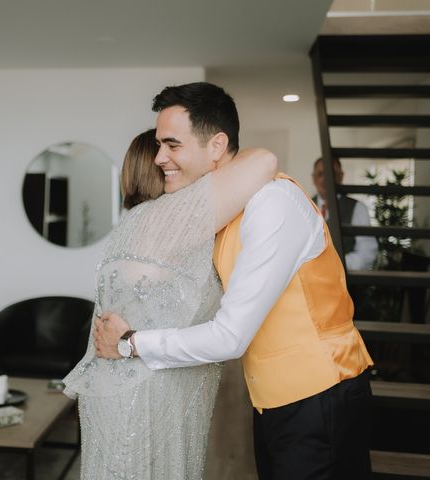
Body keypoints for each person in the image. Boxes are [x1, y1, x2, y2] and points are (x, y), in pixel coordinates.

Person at [94, 82, 374, 480]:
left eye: (172, 145)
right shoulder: (222, 210)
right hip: (272, 400)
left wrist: (131, 342)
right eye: (159, 145)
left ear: (216, 145)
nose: (159, 158)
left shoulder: (273, 203)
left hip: (322, 393)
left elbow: (231, 336)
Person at [62, 124, 277, 479]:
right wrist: (215, 158)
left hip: (120, 389)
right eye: (166, 156)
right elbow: (263, 160)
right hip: (143, 398)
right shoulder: (168, 218)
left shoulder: (134, 223)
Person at [312, 156, 378, 270]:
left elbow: (367, 252)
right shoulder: (301, 206)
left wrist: (335, 264)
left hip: (343, 282)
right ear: (313, 178)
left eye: (332, 173)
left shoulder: (358, 208)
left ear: (341, 176)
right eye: (320, 174)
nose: (326, 178)